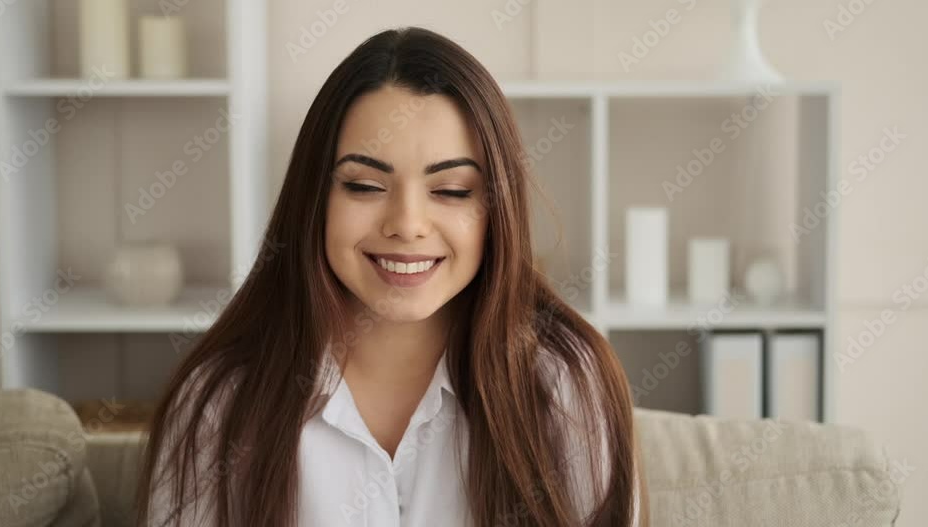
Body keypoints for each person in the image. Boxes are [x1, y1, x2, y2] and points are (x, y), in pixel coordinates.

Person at [136, 26, 648, 527]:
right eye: (364, 185)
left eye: (451, 190)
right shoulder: (222, 403)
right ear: (314, 199)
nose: (406, 225)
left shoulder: (562, 386)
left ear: (498, 210)